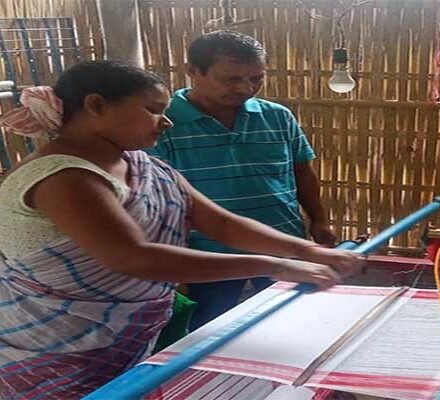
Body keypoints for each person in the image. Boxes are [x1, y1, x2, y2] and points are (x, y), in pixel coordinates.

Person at [0, 60, 364, 399]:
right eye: (153, 109)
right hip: (55, 344)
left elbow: (220, 222)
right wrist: (276, 265)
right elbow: (134, 257)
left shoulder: (142, 165)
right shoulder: (64, 178)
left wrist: (309, 251)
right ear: (96, 105)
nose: (165, 121)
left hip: (122, 336)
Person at [148, 30, 337, 329]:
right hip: (207, 255)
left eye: (256, 78)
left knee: (290, 326)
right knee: (207, 334)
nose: (246, 88)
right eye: (231, 79)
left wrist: (319, 219)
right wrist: (176, 268)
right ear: (193, 71)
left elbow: (302, 170)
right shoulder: (164, 124)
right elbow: (158, 199)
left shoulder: (277, 117)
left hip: (283, 243)